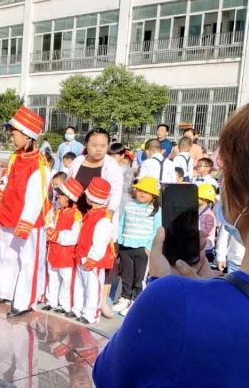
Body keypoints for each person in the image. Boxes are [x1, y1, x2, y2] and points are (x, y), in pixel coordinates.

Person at [93, 100, 249, 388]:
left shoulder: (172, 300)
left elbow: (107, 375)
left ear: (241, 194)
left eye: (223, 172)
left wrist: (165, 288)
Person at [0, 106, 51, 318]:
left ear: (28, 135)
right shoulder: (15, 158)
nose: (11, 137)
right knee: (7, 257)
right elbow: (5, 184)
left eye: (14, 133)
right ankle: (6, 292)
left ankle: (25, 302)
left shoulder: (39, 165)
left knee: (28, 261)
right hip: (7, 216)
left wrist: (25, 225)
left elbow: (35, 199)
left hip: (27, 223)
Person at [68, 128, 123, 319]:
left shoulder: (111, 166)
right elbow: (70, 185)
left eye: (103, 145)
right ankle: (77, 303)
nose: (98, 149)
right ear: (86, 145)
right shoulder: (77, 162)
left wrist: (106, 217)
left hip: (100, 220)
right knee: (78, 260)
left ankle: (101, 302)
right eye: (94, 145)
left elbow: (115, 193)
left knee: (100, 261)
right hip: (79, 217)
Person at [112, 177, 161, 317]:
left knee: (139, 277)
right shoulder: (129, 205)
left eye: (146, 191)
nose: (141, 193)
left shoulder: (156, 210)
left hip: (142, 248)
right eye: (140, 190)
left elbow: (157, 230)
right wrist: (119, 241)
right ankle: (125, 297)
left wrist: (149, 247)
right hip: (126, 246)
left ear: (154, 195)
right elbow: (122, 223)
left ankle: (136, 301)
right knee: (126, 274)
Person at [70, 177, 115, 324]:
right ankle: (78, 309)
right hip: (82, 256)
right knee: (80, 286)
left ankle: (91, 314)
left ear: (91, 198)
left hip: (92, 260)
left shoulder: (102, 219)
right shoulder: (92, 214)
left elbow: (100, 242)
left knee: (92, 288)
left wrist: (92, 258)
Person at [44, 178, 84, 314]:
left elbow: (75, 236)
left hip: (66, 254)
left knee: (66, 279)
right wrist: (49, 230)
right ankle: (51, 301)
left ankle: (64, 304)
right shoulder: (57, 211)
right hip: (54, 251)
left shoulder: (77, 215)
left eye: (60, 195)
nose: (57, 197)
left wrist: (57, 236)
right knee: (53, 276)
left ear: (68, 198)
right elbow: (49, 223)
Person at [108, 142, 134, 208]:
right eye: (110, 156)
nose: (111, 158)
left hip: (122, 199)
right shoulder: (108, 167)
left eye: (114, 156)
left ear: (122, 156)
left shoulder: (127, 170)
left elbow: (126, 187)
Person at [198, 184, 217, 264]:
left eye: (199, 197)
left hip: (206, 250)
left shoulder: (209, 215)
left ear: (206, 199)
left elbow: (206, 232)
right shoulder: (197, 212)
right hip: (198, 247)